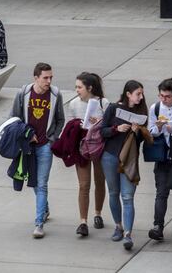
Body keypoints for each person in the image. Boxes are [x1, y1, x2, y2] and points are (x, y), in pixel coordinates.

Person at [10, 62, 65, 238]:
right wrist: (26, 135)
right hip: (27, 147)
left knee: (41, 184)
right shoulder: (23, 94)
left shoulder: (56, 94)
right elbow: (14, 119)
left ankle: (39, 224)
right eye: (45, 78)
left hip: (45, 147)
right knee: (34, 181)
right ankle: (45, 209)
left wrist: (52, 139)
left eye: (51, 77)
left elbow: (60, 119)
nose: (49, 81)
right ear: (36, 78)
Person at [100, 80, 148, 250]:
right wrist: (116, 129)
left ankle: (128, 234)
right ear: (128, 94)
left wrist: (137, 132)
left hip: (129, 159)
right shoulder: (113, 108)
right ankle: (118, 226)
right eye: (138, 94)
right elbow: (102, 131)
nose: (141, 97)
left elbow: (144, 140)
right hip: (110, 156)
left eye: (141, 94)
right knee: (114, 193)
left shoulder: (142, 112)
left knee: (127, 197)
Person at [67, 72, 110, 237]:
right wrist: (76, 124)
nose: (77, 90)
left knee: (100, 182)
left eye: (79, 87)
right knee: (84, 185)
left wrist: (99, 123)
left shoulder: (103, 103)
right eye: (76, 86)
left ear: (89, 88)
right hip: (82, 148)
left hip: (99, 147)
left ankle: (97, 213)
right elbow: (69, 127)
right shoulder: (74, 104)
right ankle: (83, 221)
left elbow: (109, 125)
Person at [147, 78, 172, 241]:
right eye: (161, 95)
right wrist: (159, 127)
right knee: (161, 192)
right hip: (163, 156)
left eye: (167, 96)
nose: (163, 99)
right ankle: (158, 226)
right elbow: (151, 131)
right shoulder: (155, 107)